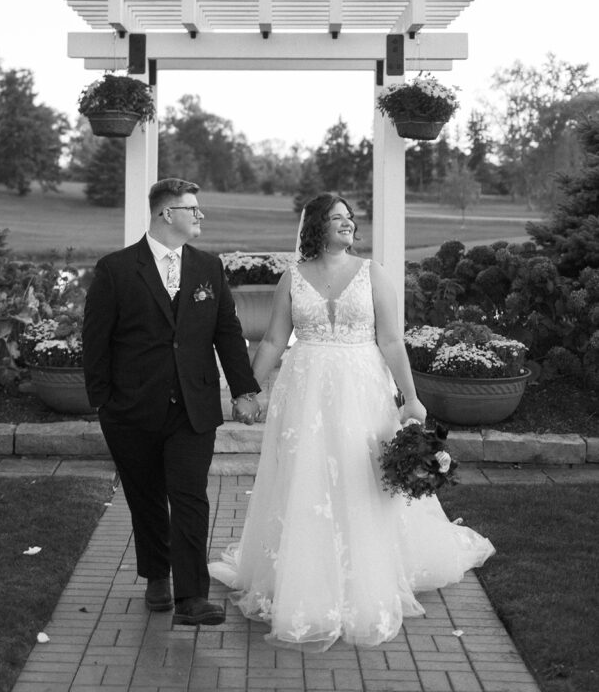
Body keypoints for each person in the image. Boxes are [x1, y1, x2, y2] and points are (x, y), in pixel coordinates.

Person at [209, 192, 494, 651]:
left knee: (364, 477)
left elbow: (392, 342)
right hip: (304, 395)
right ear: (315, 227)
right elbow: (273, 341)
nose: (347, 224)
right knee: (308, 478)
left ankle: (368, 571)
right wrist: (247, 389)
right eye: (336, 218)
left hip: (362, 390)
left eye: (349, 218)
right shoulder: (292, 277)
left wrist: (412, 400)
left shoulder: (372, 273)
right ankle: (307, 572)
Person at [83, 177, 261, 627]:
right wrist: (103, 403)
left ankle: (192, 596)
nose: (200, 215)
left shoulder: (207, 267)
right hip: (131, 410)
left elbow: (226, 333)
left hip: (192, 408)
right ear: (167, 214)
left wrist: (244, 390)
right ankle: (157, 575)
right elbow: (96, 342)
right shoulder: (116, 269)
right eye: (193, 209)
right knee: (145, 498)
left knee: (189, 497)